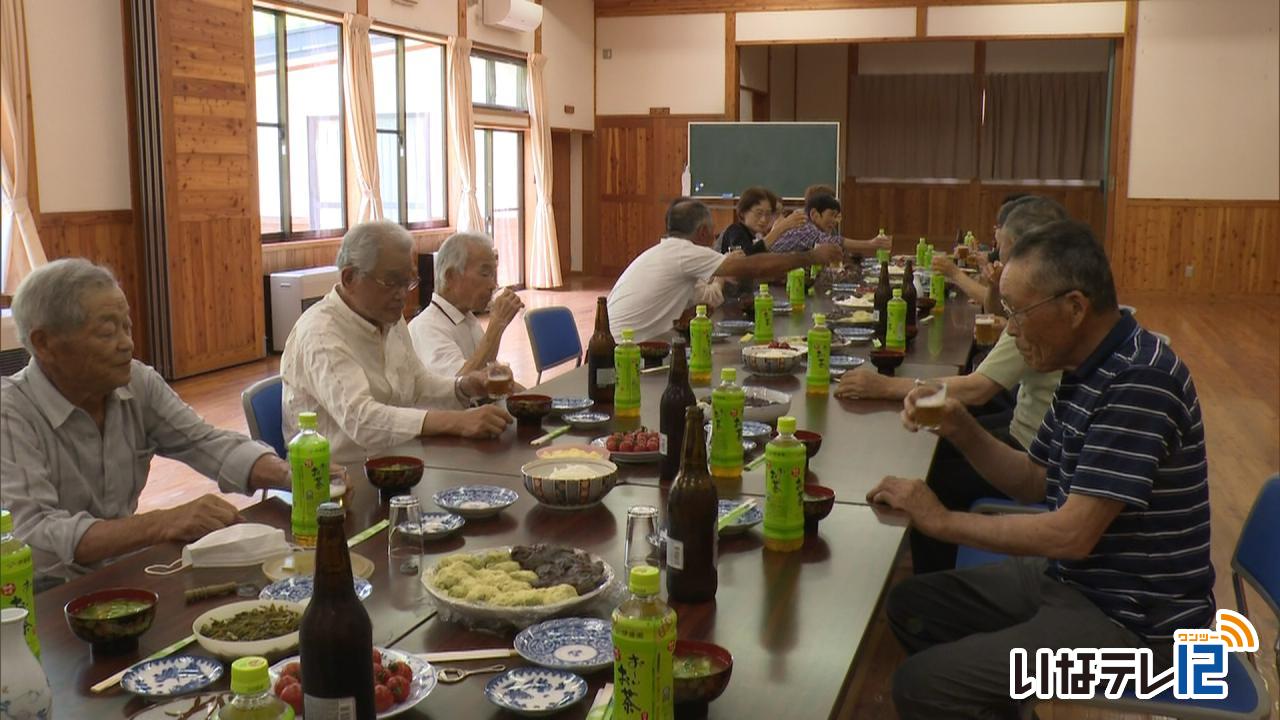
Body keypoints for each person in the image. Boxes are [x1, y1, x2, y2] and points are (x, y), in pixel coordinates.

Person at [867, 220, 1213, 719]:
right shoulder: (1085, 364)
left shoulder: (1141, 380)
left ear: (1074, 307)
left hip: (1142, 634)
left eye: (1018, 312)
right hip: (1076, 583)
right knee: (912, 605)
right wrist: (961, 425)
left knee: (923, 685)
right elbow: (1034, 480)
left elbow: (1072, 536)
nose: (1009, 327)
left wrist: (940, 520)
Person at [0, 259, 293, 585]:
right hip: (35, 595)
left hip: (118, 570)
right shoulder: (10, 412)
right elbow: (33, 536)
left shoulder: (136, 382)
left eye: (126, 327)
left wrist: (291, 474)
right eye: (107, 332)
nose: (127, 343)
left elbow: (204, 441)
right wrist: (161, 523)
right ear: (44, 343)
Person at [837, 197, 1068, 572]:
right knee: (934, 443)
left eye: (1006, 256)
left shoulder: (1042, 310)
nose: (998, 261)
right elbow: (996, 309)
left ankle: (932, 579)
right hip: (1030, 433)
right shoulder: (1041, 297)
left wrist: (887, 387)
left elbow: (978, 389)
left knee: (933, 475)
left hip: (1030, 450)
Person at [281, 221, 512, 465]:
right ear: (349, 278)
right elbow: (361, 419)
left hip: (398, 459)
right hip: (336, 479)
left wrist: (464, 386)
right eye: (391, 283)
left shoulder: (387, 316)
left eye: (408, 282)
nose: (403, 295)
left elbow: (417, 382)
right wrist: (456, 421)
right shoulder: (321, 333)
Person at [607, 198, 842, 342]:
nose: (714, 237)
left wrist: (722, 274)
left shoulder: (668, 254)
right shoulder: (682, 252)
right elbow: (754, 267)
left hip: (623, 347)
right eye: (712, 231)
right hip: (629, 354)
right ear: (701, 232)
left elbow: (708, 298)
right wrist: (811, 256)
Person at [408, 231, 524, 377]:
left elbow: (488, 376)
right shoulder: (426, 327)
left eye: (493, 275)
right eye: (485, 274)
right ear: (450, 276)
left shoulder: (467, 317)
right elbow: (461, 388)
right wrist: (497, 324)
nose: (493, 285)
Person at [769, 192, 891, 256]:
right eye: (832, 215)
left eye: (836, 216)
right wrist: (872, 244)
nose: (834, 220)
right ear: (815, 214)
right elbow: (836, 242)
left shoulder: (814, 226)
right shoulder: (804, 225)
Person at [714, 186, 805, 255]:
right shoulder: (735, 230)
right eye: (759, 213)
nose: (764, 219)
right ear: (743, 212)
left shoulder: (756, 235)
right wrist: (781, 228)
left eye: (768, 214)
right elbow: (747, 257)